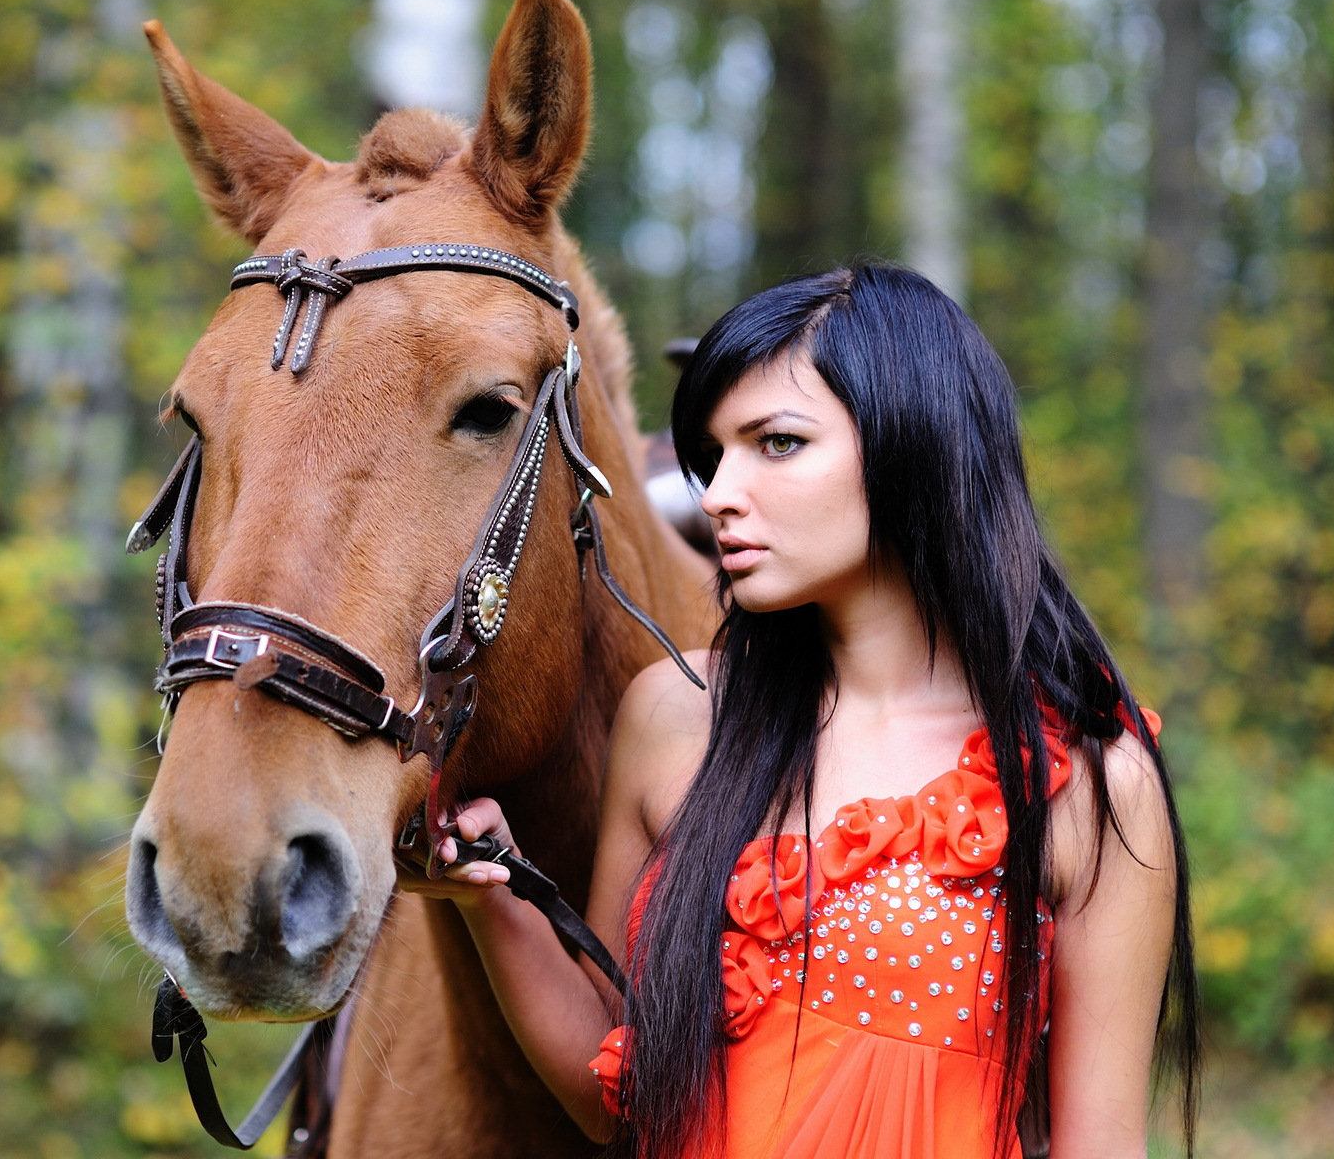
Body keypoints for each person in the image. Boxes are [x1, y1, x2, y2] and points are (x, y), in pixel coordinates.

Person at [400, 266, 1200, 1159]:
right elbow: (618, 1097)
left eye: (775, 443)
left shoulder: (1087, 783)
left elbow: (1103, 1145)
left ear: (917, 441)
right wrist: (493, 902)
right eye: (715, 454)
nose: (718, 494)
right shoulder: (677, 714)